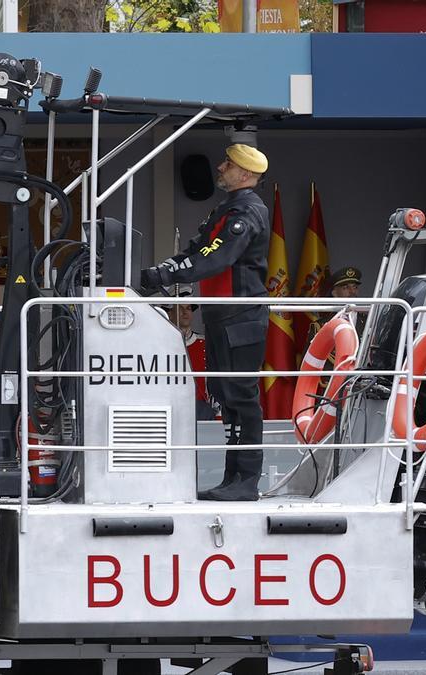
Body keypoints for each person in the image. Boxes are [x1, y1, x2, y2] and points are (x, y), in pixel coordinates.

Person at [136, 143, 270, 501]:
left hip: (241, 316)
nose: (221, 167)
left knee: (241, 397)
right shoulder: (226, 209)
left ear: (244, 174)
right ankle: (233, 479)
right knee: (226, 398)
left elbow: (214, 257)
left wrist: (163, 275)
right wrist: (162, 270)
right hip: (221, 315)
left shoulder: (247, 212)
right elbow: (196, 250)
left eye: (228, 164)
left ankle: (246, 481)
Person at [165, 291, 218, 421]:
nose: (185, 313)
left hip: (200, 410)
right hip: (168, 407)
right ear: (169, 313)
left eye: (189, 308)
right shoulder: (159, 344)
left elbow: (216, 385)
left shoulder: (204, 343)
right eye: (180, 308)